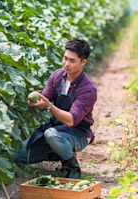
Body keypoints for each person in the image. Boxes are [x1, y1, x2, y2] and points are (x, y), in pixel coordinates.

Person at [14, 38, 97, 179]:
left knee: (51, 135)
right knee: (18, 156)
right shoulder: (58, 76)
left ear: (83, 62)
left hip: (78, 133)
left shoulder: (87, 89)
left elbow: (71, 120)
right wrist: (38, 102)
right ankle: (56, 152)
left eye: (72, 61)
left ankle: (72, 167)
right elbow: (45, 98)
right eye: (65, 58)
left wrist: (49, 106)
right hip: (56, 129)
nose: (66, 64)